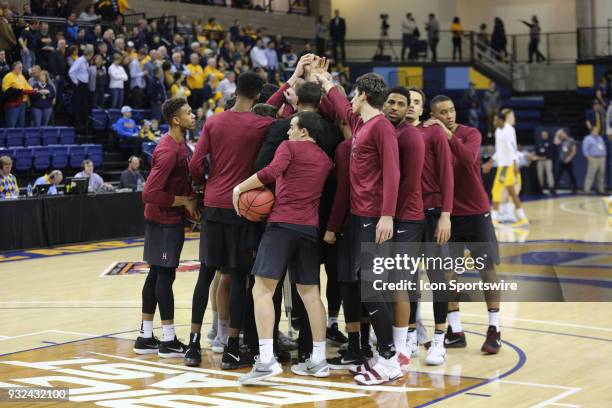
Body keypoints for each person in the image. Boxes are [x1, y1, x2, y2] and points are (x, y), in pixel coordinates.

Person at [315, 70, 402, 385]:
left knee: (374, 288)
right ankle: (383, 354)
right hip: (359, 218)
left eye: (354, 94)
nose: (350, 99)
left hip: (374, 218)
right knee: (368, 288)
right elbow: (340, 106)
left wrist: (387, 215)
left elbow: (393, 173)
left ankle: (391, 358)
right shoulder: (361, 125)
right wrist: (327, 83)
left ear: (364, 95)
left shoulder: (382, 129)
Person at [236, 111, 333, 384]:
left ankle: (266, 360)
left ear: (304, 131)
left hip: (281, 227)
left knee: (262, 289)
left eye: (292, 127)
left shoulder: (289, 147)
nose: (288, 132)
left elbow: (270, 172)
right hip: (309, 230)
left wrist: (239, 189)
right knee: (311, 294)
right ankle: (319, 359)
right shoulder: (326, 160)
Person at [187, 72, 275, 369]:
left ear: (235, 89)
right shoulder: (264, 124)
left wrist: (201, 184)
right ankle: (232, 349)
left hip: (213, 205)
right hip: (242, 208)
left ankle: (192, 345)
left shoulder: (213, 121)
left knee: (206, 274)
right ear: (259, 95)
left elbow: (196, 163)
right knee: (239, 277)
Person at [425, 95, 502, 355]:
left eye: (452, 110)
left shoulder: (471, 134)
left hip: (476, 211)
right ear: (433, 115)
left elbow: (469, 159)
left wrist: (447, 134)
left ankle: (494, 328)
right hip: (448, 216)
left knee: (486, 268)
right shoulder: (432, 137)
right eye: (443, 112)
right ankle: (455, 330)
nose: (449, 115)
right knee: (448, 274)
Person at [133, 97, 199, 358]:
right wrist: (184, 201)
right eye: (188, 112)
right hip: (163, 220)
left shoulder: (182, 145)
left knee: (156, 274)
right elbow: (149, 193)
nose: (193, 116)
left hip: (166, 219)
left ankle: (145, 336)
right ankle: (168, 340)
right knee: (164, 276)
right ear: (176, 120)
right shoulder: (168, 150)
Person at [403, 86, 453, 365]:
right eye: (408, 101)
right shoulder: (395, 132)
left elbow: (447, 174)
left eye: (416, 102)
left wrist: (446, 214)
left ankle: (439, 340)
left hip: (434, 215)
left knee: (437, 278)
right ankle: (410, 335)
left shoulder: (433, 132)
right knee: (408, 279)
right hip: (407, 217)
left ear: (423, 109)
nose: (411, 105)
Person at [380, 86, 425, 371]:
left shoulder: (411, 136)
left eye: (400, 103)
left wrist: (392, 215)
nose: (395, 107)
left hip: (407, 218)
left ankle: (402, 345)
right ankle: (392, 342)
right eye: (391, 102)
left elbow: (409, 182)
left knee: (399, 282)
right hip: (390, 216)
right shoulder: (386, 130)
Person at [483, 110, 528, 226]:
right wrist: (490, 162)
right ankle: (520, 218)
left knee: (502, 191)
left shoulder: (509, 130)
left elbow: (512, 148)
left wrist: (515, 163)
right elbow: (499, 151)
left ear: (501, 120)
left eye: (495, 120)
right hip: (503, 166)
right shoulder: (498, 131)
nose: (493, 122)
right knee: (506, 192)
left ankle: (495, 218)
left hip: (508, 166)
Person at [2, 61, 36, 127]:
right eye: (20, 67)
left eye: (22, 67)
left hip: (22, 103)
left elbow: (28, 87)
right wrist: (21, 91)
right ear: (14, 68)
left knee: (20, 125)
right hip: (12, 104)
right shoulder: (8, 76)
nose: (21, 69)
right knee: (11, 125)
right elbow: (6, 89)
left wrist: (35, 91)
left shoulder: (21, 76)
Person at [68, 44, 94, 130]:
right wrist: (76, 82)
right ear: (89, 54)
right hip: (80, 85)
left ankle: (83, 123)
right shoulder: (80, 60)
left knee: (84, 105)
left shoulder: (86, 62)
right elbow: (71, 72)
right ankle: (78, 123)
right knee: (78, 104)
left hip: (85, 85)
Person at [582, 126, 607, 195]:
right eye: (595, 131)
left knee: (601, 174)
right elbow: (585, 149)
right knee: (590, 174)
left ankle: (601, 189)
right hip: (593, 158)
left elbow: (603, 147)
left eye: (597, 131)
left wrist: (604, 155)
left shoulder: (600, 138)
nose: (597, 132)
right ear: (592, 131)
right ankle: (587, 190)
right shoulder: (588, 139)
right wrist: (589, 158)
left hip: (602, 158)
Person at [554, 129, 577, 193]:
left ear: (565, 133)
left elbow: (574, 151)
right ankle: (554, 189)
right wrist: (557, 134)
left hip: (568, 161)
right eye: (561, 135)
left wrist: (569, 158)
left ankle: (574, 188)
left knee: (571, 175)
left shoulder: (571, 140)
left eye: (563, 134)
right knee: (558, 175)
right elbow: (555, 142)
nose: (562, 136)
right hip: (561, 161)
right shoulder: (560, 140)